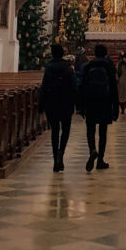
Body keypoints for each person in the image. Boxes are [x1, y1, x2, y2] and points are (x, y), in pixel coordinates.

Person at [79, 43, 119, 172]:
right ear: (105, 53)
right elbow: (113, 87)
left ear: (95, 53)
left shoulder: (88, 66)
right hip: (105, 102)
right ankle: (100, 159)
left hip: (90, 102)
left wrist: (80, 106)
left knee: (90, 129)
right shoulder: (109, 66)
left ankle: (92, 150)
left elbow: (82, 86)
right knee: (103, 132)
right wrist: (116, 107)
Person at [39, 43, 78, 172]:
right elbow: (73, 87)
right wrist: (77, 104)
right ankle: (61, 153)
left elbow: (44, 88)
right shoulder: (68, 68)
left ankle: (56, 156)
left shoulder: (49, 68)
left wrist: (41, 106)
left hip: (52, 103)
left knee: (55, 131)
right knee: (66, 130)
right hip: (66, 103)